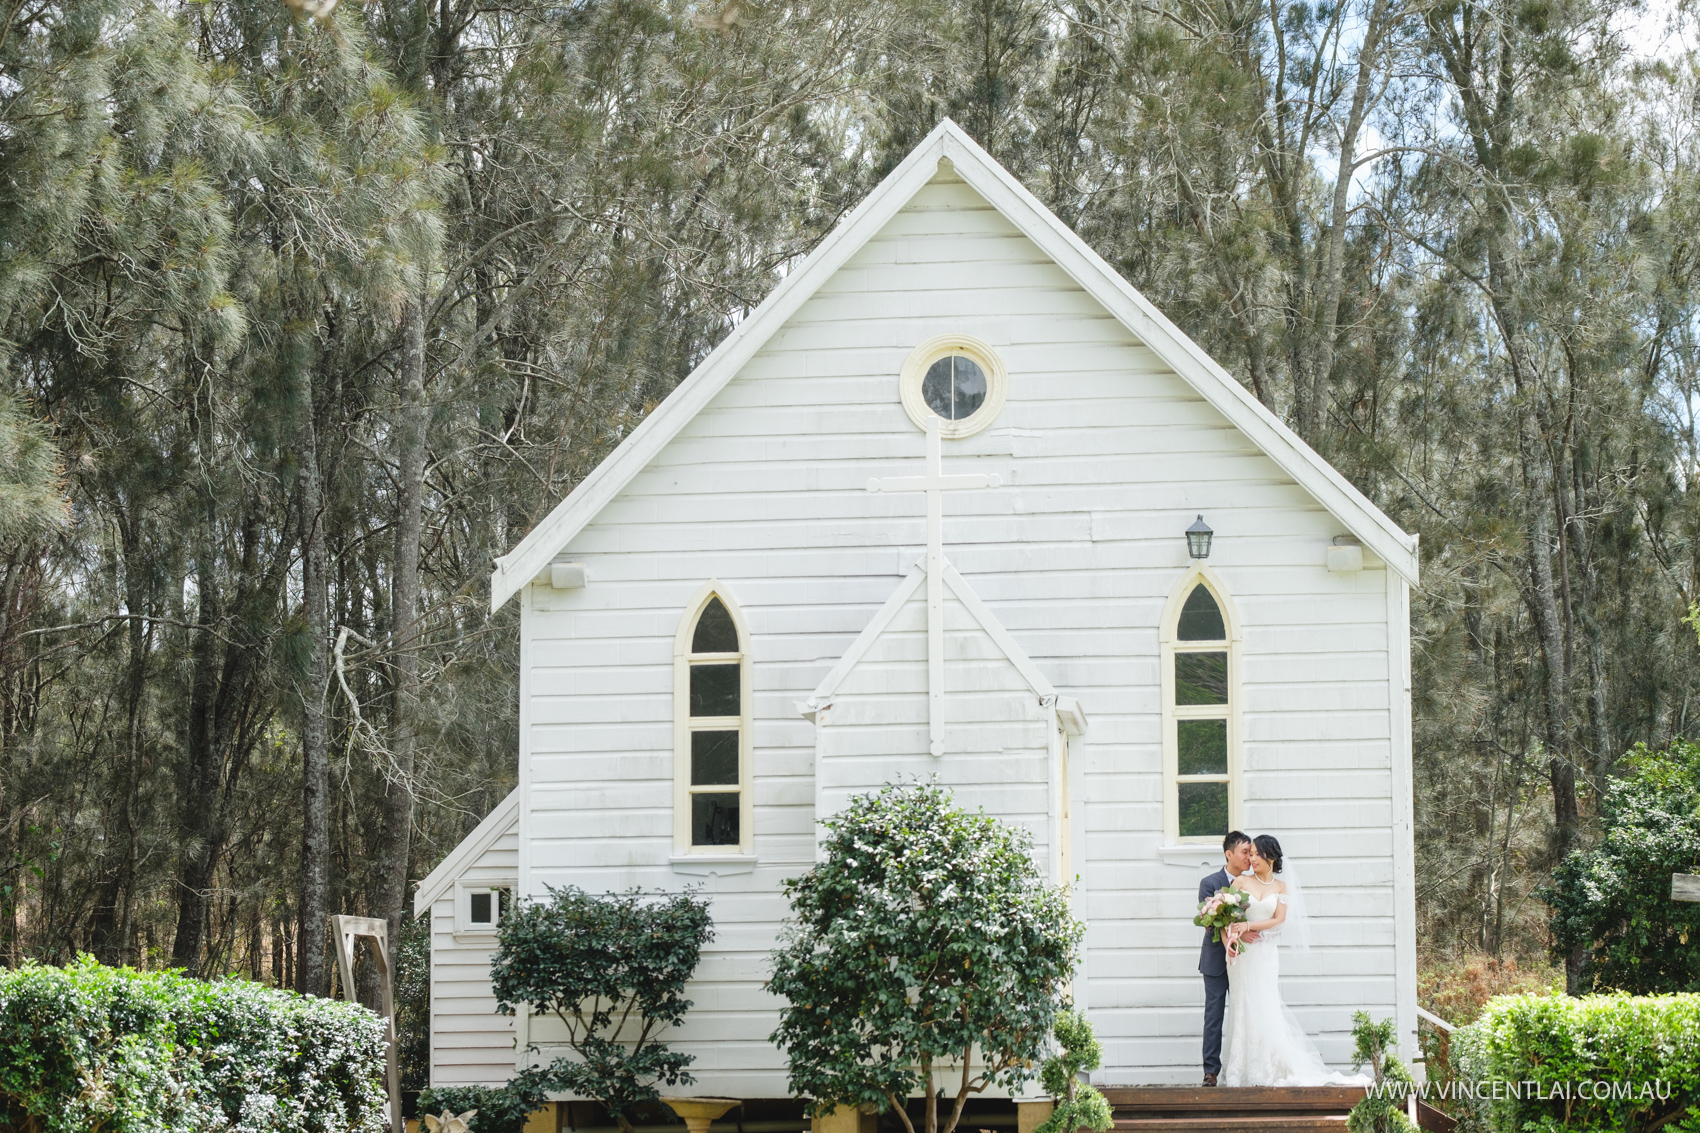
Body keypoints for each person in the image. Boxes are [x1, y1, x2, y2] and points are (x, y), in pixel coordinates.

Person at [1218, 834, 1369, 1087]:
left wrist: (1249, 924)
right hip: (1243, 953)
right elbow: (1227, 918)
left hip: (1266, 953)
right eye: (1250, 853)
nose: (1252, 858)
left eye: (1256, 854)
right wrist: (1233, 935)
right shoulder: (1241, 882)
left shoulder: (1281, 888)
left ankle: (1266, 1065)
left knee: (1265, 1003)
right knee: (1242, 1003)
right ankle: (1239, 1068)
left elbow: (1279, 919)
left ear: (1271, 857)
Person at [1197, 831, 1257, 1087]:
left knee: (1248, 1012)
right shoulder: (1209, 882)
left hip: (1247, 959)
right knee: (1214, 1015)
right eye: (1245, 852)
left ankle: (1248, 1066)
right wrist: (1229, 935)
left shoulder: (1254, 883)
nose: (1250, 858)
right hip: (1215, 960)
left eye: (1251, 852)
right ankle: (1211, 1072)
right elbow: (1209, 922)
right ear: (1229, 854)